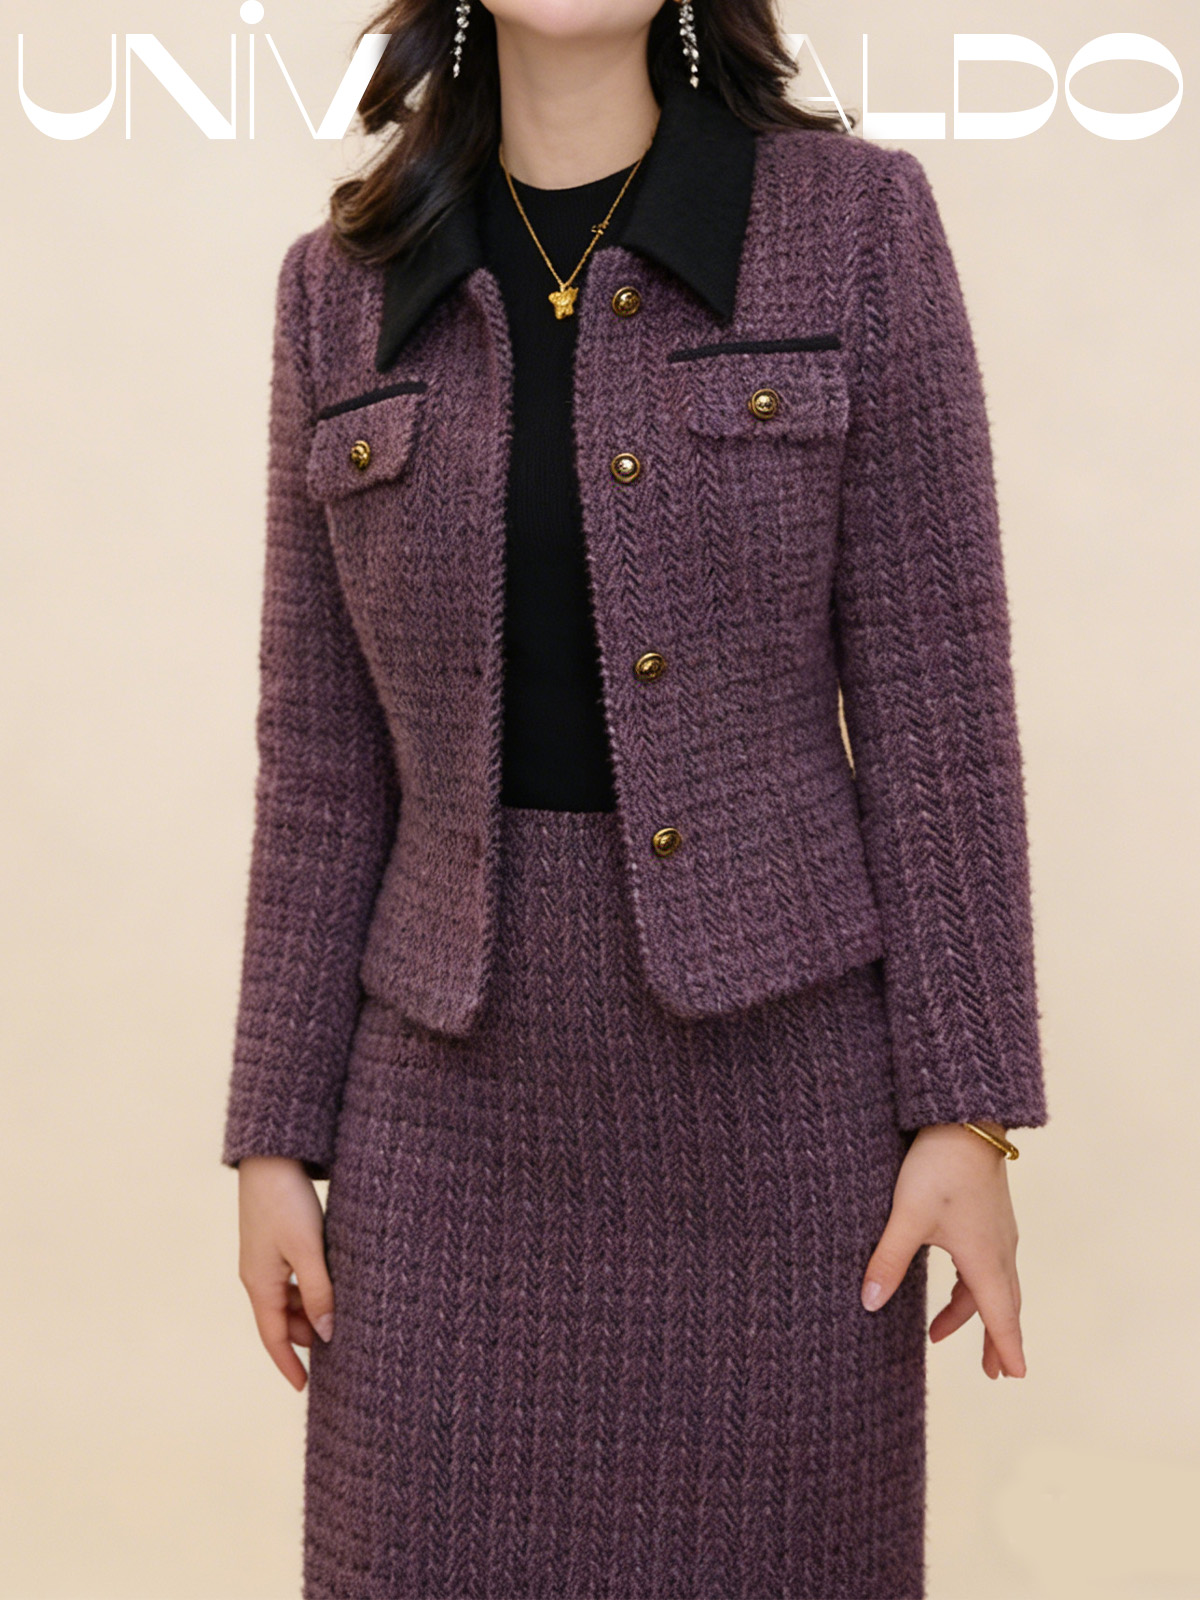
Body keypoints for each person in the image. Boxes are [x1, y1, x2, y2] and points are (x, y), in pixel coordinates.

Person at [221, 2, 1050, 1596]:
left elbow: (939, 698)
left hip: (781, 1117)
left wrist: (968, 1116)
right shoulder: (339, 285)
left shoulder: (852, 229)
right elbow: (319, 756)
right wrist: (275, 1138)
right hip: (444, 1129)